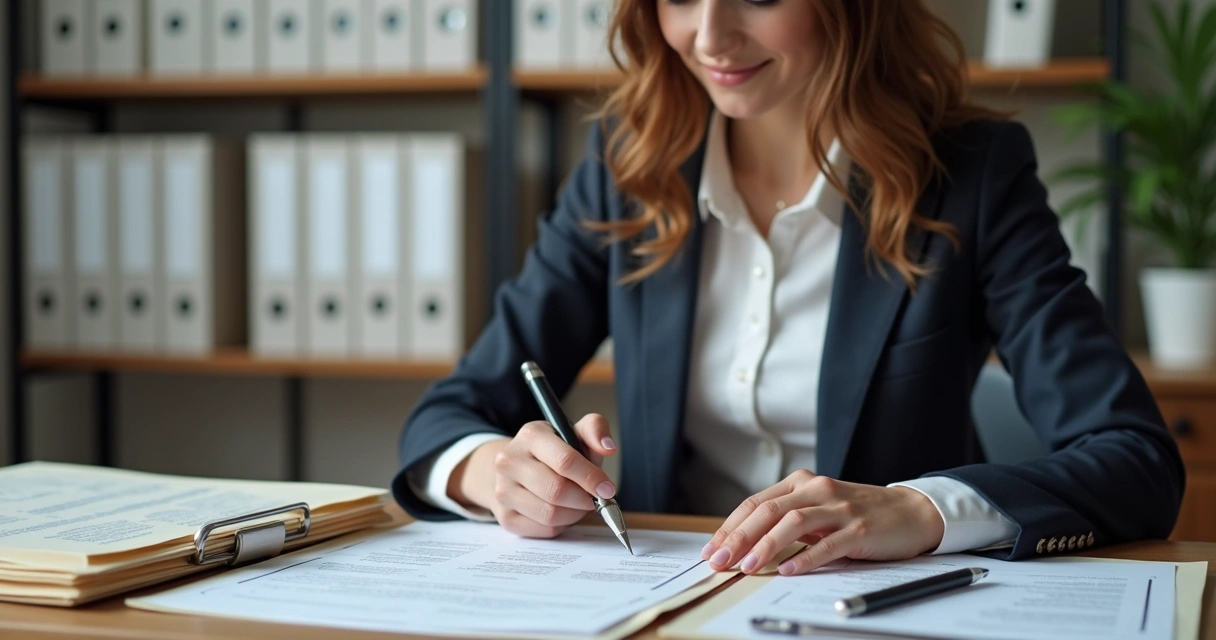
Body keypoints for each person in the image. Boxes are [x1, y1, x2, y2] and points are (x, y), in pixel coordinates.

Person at [391, 0, 1184, 577]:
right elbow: (448, 416)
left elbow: (1136, 459)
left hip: (876, 612)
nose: (709, 36)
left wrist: (917, 509)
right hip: (668, 598)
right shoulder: (624, 167)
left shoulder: (973, 174)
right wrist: (493, 470)